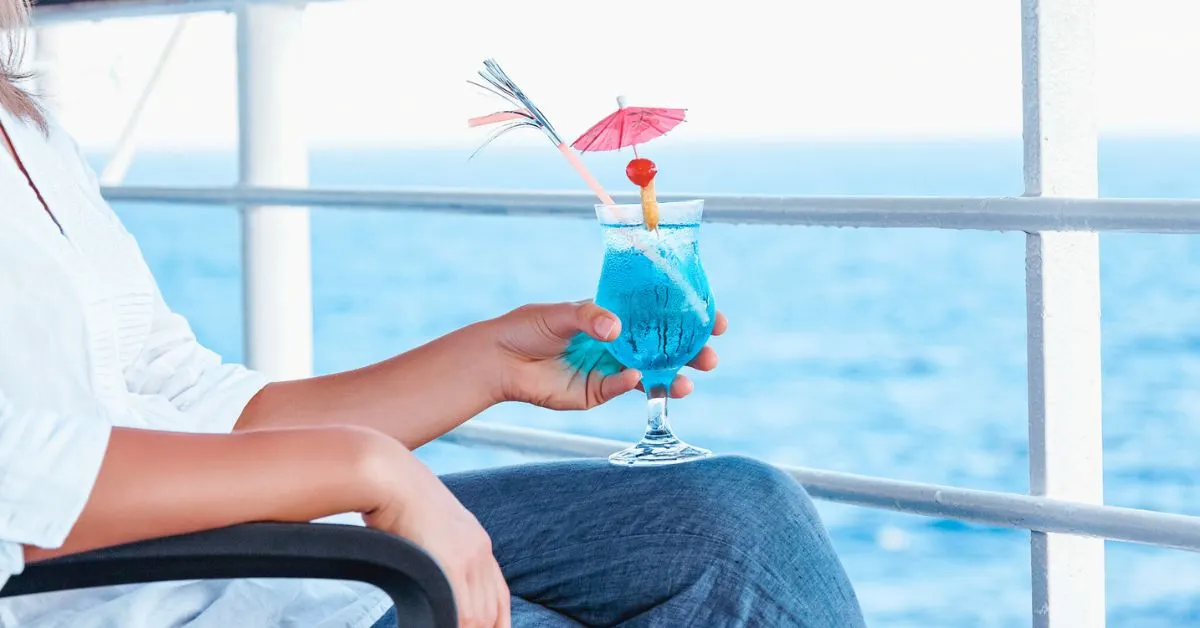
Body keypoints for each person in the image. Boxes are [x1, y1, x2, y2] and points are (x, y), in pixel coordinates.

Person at [0, 2, 865, 626]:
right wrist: (368, 467)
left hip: (270, 556)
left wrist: (490, 364)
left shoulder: (29, 132)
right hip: (134, 595)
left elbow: (188, 402)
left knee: (741, 514)